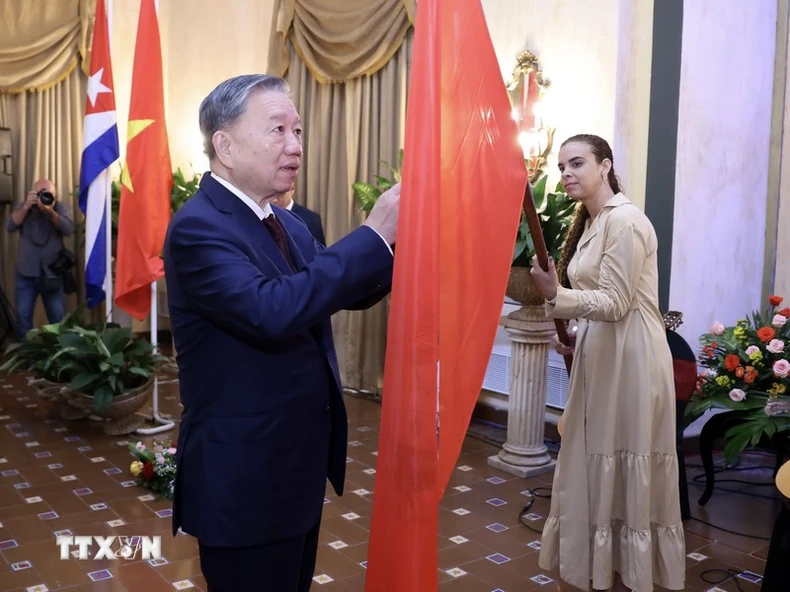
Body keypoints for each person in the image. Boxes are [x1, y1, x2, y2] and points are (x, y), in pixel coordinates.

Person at [163, 74, 399, 592]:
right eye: (277, 131)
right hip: (244, 479)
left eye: (298, 131)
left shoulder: (287, 223)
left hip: (293, 468)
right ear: (224, 145)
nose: (295, 146)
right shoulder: (198, 227)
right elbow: (273, 311)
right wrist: (374, 235)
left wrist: (394, 250)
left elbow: (336, 292)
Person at [529, 134, 685, 591]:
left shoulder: (626, 221)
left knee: (623, 458)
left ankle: (627, 573)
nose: (567, 174)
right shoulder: (595, 222)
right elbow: (601, 302)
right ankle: (602, 566)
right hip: (604, 353)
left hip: (632, 360)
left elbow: (617, 302)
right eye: (562, 167)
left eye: (577, 163)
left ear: (605, 166)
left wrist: (556, 296)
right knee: (597, 461)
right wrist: (578, 335)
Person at [6, 179, 74, 340]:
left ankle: (59, 356)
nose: (44, 197)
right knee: (23, 318)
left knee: (57, 319)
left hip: (52, 275)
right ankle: (26, 355)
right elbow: (10, 226)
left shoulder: (60, 208)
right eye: (40, 193)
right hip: (26, 274)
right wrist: (26, 206)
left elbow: (69, 229)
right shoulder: (25, 207)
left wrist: (50, 212)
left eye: (48, 193)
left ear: (55, 194)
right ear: (33, 194)